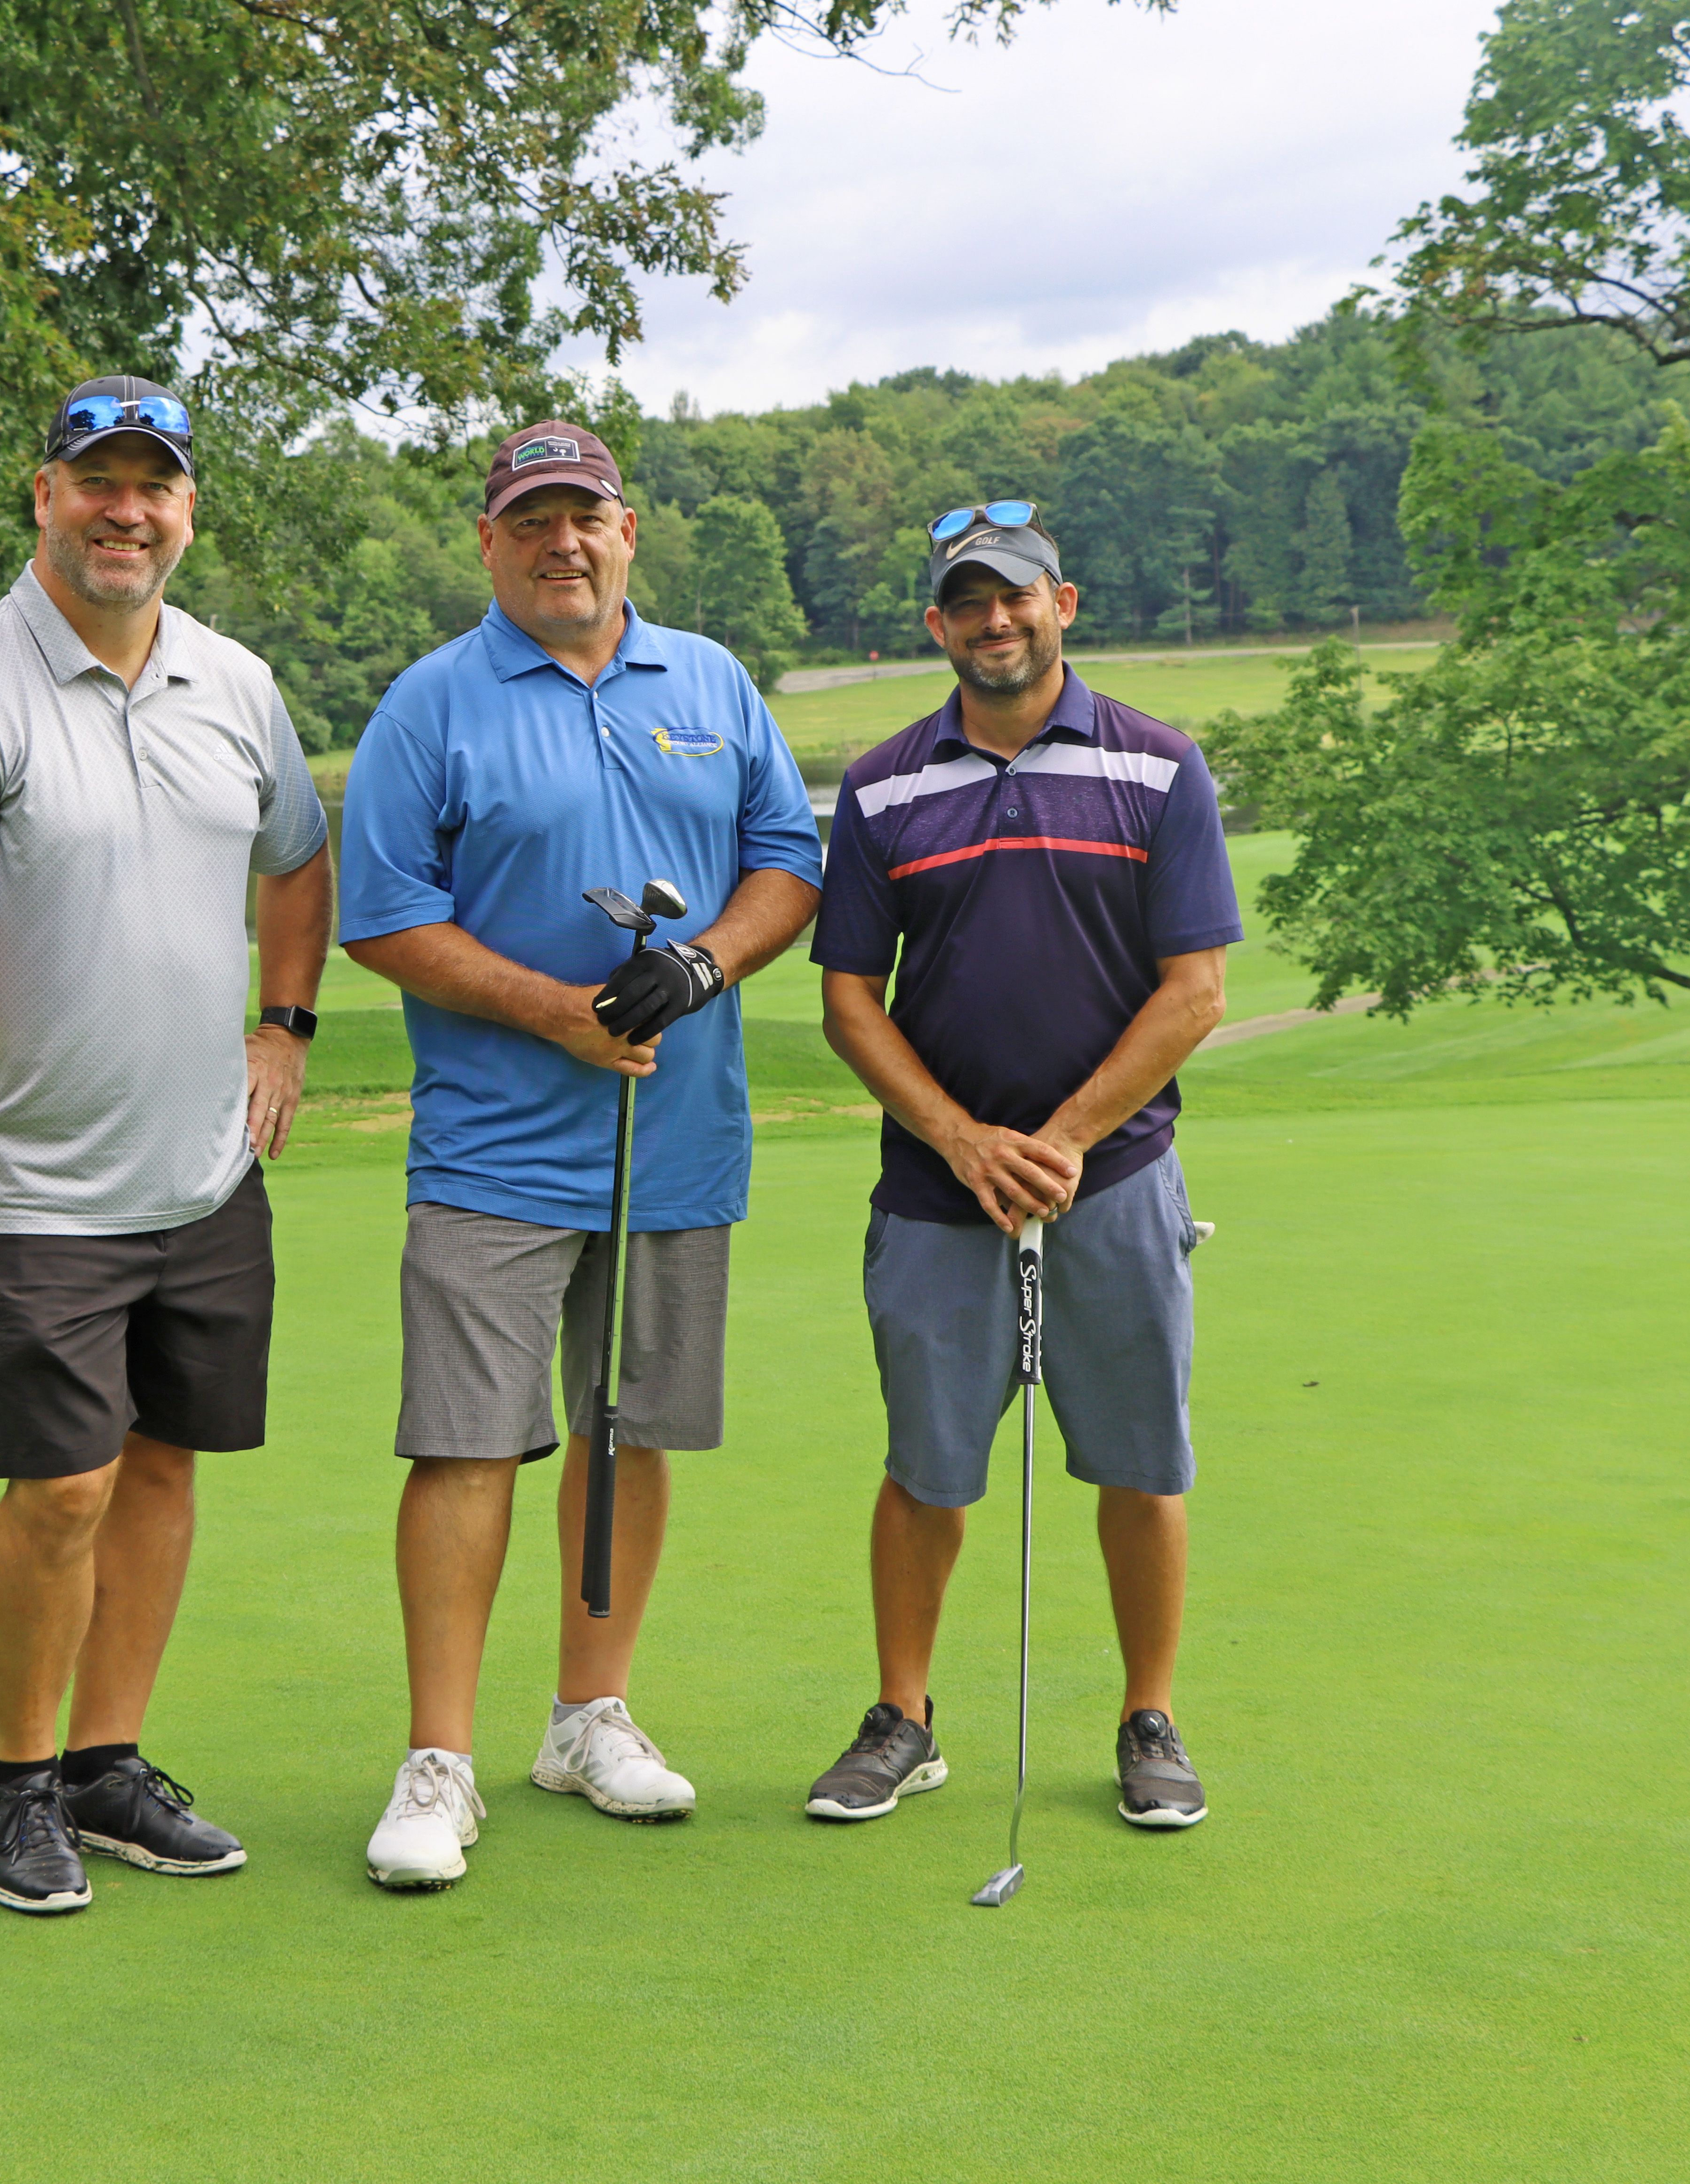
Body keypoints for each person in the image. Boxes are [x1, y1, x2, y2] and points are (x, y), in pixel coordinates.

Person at [0, 375, 332, 1915]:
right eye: (99, 481)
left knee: (166, 1467)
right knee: (62, 1489)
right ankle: (22, 1779)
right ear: (43, 493)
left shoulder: (237, 685)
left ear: (188, 508)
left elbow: (298, 867)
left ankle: (110, 1765)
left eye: (158, 484)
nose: (129, 509)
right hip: (31, 1184)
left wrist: (287, 1027)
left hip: (203, 1172)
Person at [338, 419, 824, 1890]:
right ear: (490, 542)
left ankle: (587, 1717)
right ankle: (439, 1762)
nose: (564, 544)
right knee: (467, 1441)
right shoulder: (433, 704)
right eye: (533, 520)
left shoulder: (715, 681)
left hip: (674, 1143)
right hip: (492, 1147)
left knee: (632, 1429)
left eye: (587, 518)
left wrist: (707, 967)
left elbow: (788, 860)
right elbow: (381, 912)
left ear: (630, 533)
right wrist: (551, 1009)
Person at [802, 503, 1237, 1832]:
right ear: (938, 625)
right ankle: (903, 1718)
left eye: (1019, 598)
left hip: (1110, 1180)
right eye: (969, 603)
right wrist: (962, 1138)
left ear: (1066, 605)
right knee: (927, 1469)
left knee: (1139, 1463)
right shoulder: (880, 787)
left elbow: (1194, 991)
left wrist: (1060, 1140)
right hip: (939, 1190)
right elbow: (849, 1003)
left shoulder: (1160, 768)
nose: (997, 621)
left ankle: (1148, 1717)